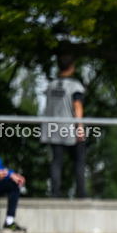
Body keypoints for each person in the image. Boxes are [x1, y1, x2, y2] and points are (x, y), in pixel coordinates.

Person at [41, 53, 86, 198]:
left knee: (56, 161)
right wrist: (80, 127)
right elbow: (77, 105)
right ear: (72, 67)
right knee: (79, 160)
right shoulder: (74, 85)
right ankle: (81, 193)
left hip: (53, 126)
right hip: (69, 126)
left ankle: (55, 193)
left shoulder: (51, 85)